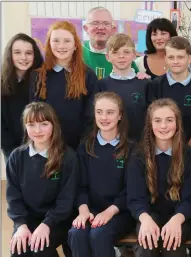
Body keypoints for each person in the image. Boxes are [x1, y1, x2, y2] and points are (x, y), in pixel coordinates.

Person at [7, 102, 78, 257]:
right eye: (31, 124)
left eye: (44, 124)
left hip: (58, 220)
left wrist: (47, 224)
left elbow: (66, 200)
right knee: (19, 250)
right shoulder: (17, 157)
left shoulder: (68, 157)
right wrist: (20, 225)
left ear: (54, 125)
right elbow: (13, 197)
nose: (37, 130)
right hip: (28, 219)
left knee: (41, 249)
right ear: (25, 127)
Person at [68, 92, 135, 257]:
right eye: (99, 112)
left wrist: (109, 212)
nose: (104, 117)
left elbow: (132, 190)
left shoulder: (132, 149)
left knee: (99, 235)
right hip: (90, 211)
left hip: (120, 213)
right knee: (76, 233)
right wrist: (83, 211)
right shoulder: (85, 147)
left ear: (120, 115)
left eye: (110, 112)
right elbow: (79, 185)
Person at [127, 98, 191, 257]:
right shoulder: (139, 156)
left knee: (173, 244)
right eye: (157, 120)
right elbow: (135, 198)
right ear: (150, 124)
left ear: (177, 123)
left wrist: (177, 219)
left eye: (169, 120)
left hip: (180, 217)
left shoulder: (189, 155)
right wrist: (144, 219)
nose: (163, 126)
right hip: (148, 215)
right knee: (146, 244)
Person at [30, 21, 98, 150]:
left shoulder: (88, 75)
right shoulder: (38, 76)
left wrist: (83, 145)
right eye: (56, 40)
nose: (61, 45)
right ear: (49, 44)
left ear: (75, 45)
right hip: (47, 147)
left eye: (67, 41)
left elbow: (91, 116)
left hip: (79, 147)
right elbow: (34, 115)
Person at [151, 36, 191, 148]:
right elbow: (151, 119)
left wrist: (188, 149)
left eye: (180, 57)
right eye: (171, 57)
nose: (175, 61)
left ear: (189, 59)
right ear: (165, 58)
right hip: (162, 148)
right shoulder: (156, 85)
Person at [98, 33, 155, 142]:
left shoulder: (145, 84)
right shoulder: (101, 85)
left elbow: (152, 115)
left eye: (126, 52)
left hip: (139, 144)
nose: (121, 56)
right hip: (110, 143)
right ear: (107, 57)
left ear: (134, 55)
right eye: (115, 52)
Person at [1, 33, 43, 160]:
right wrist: (10, 150)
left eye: (29, 53)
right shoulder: (2, 83)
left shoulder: (42, 81)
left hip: (40, 146)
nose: (23, 57)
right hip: (12, 149)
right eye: (17, 52)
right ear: (10, 55)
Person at [82, 6, 139, 79]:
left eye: (106, 23)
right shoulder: (77, 53)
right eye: (95, 23)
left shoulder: (125, 57)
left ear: (113, 29)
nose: (101, 27)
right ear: (86, 28)